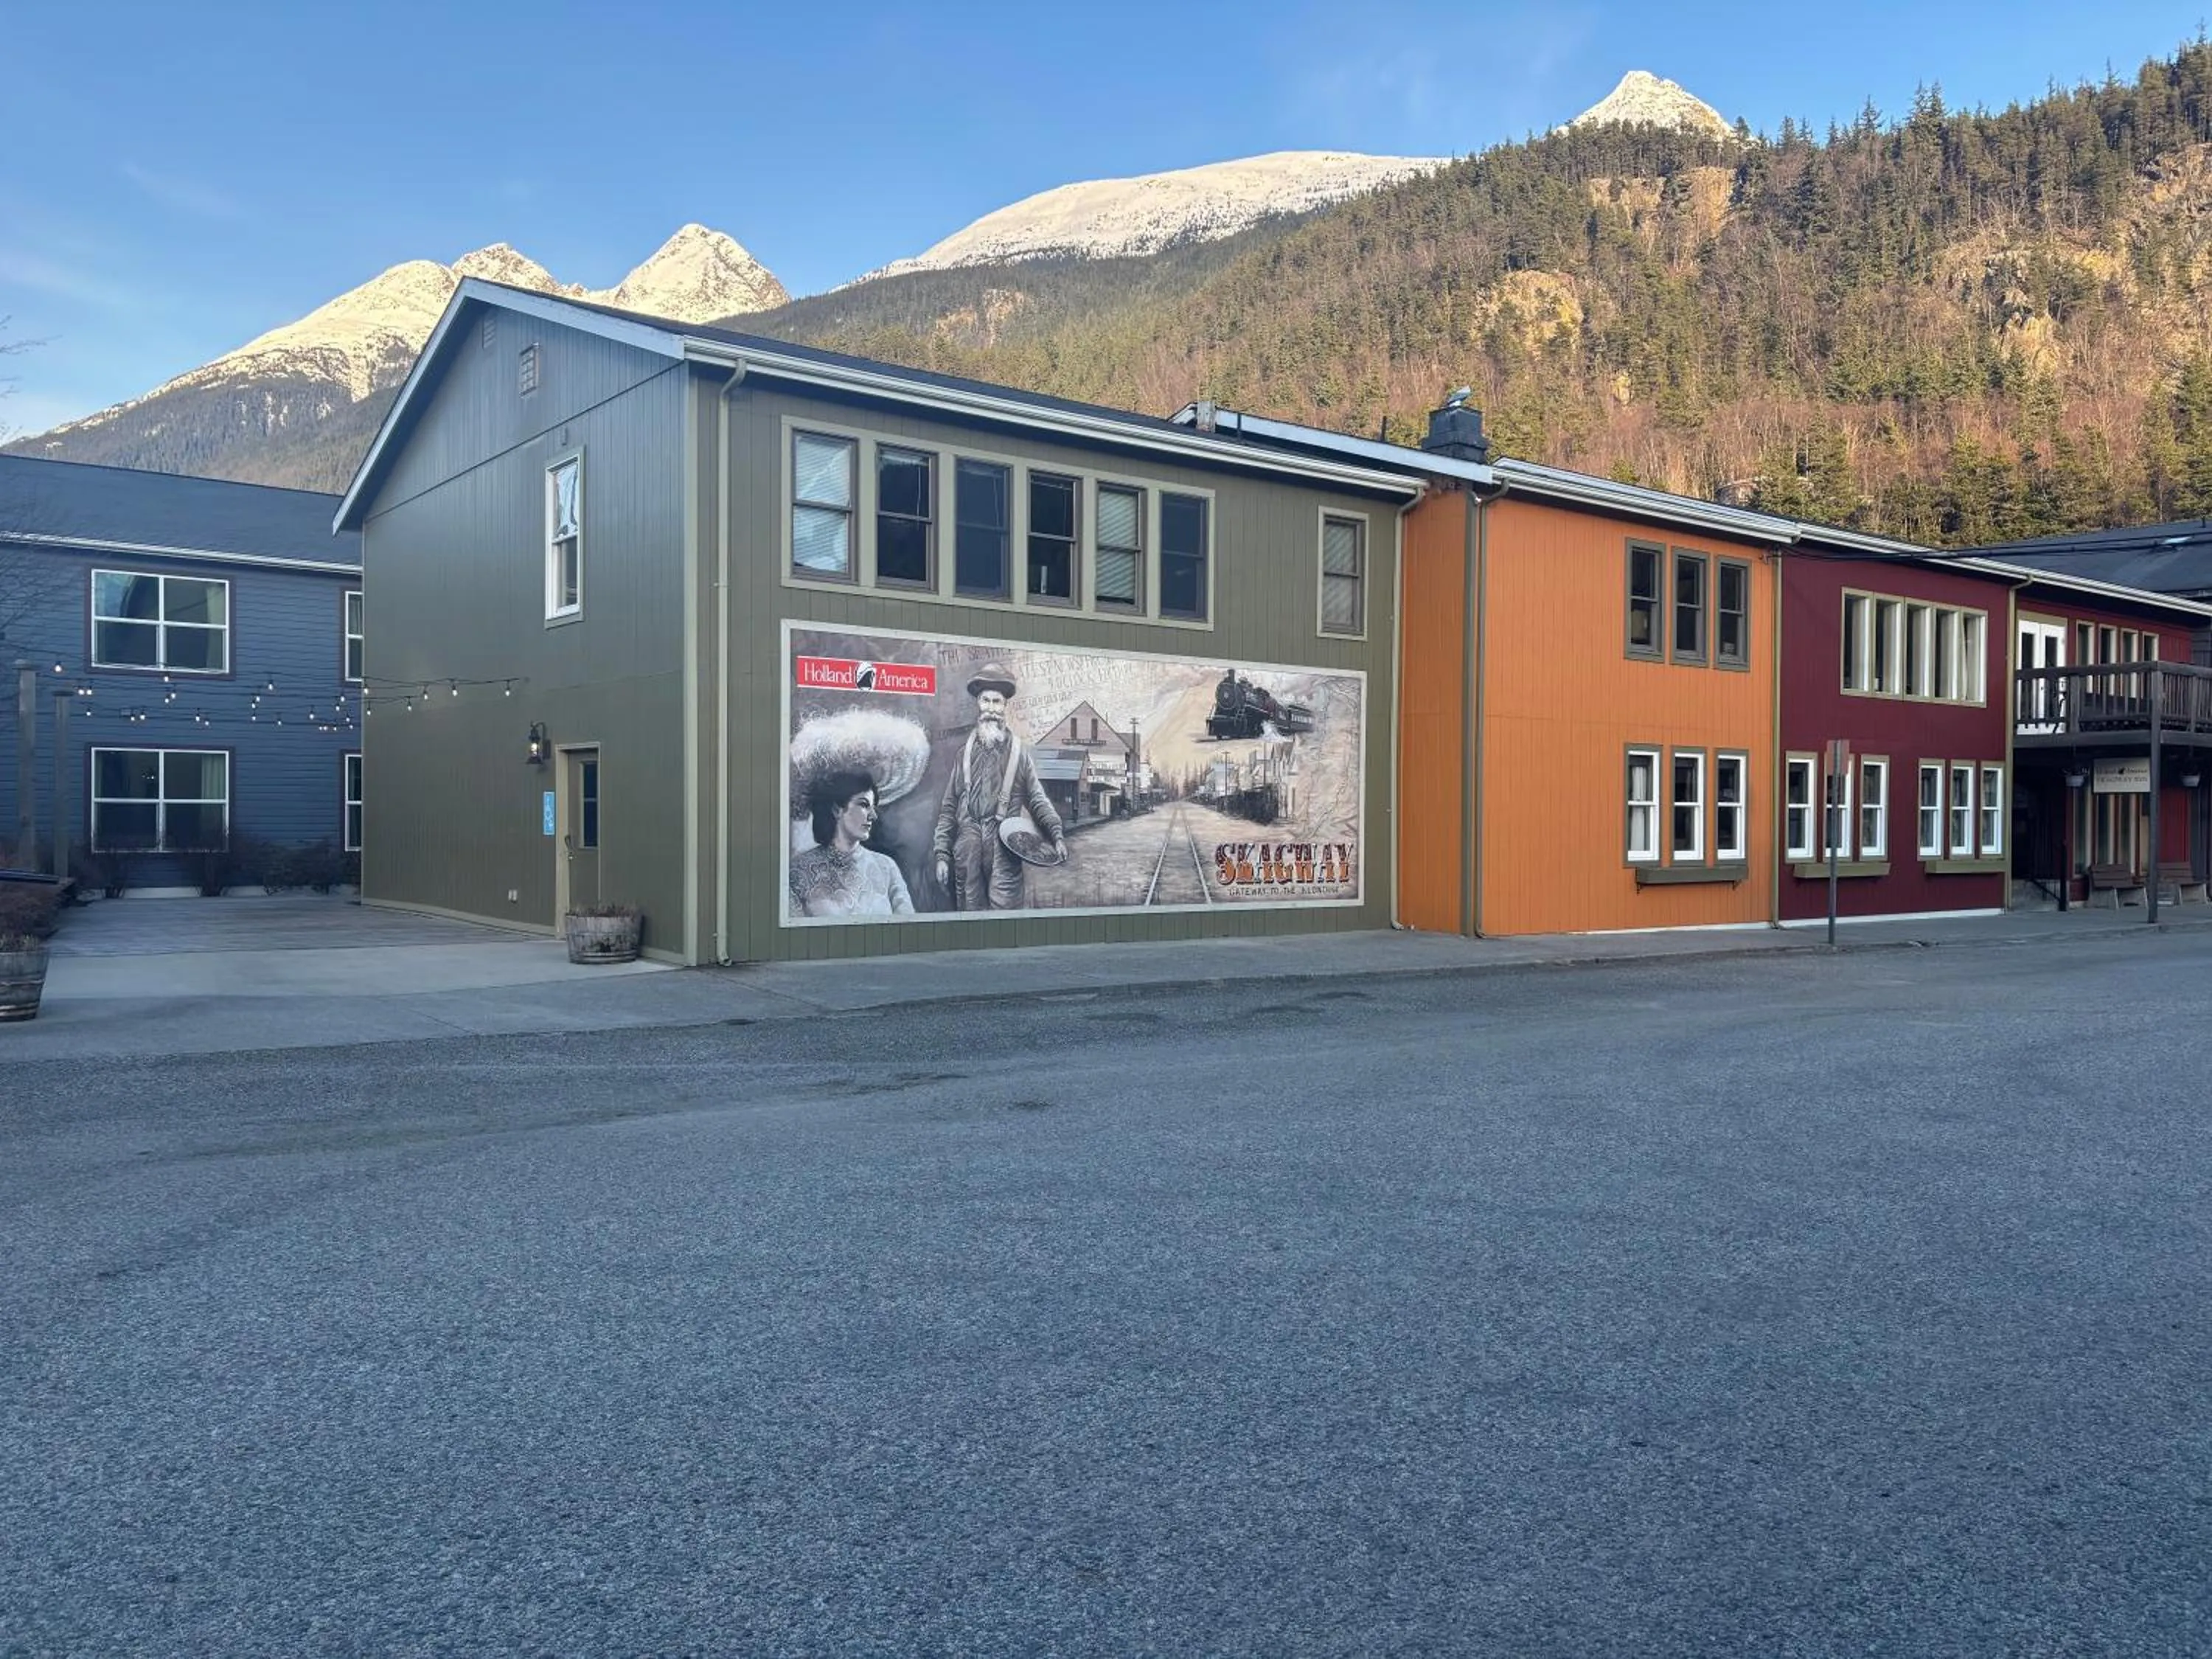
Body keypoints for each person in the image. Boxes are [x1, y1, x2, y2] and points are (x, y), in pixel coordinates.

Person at [931, 663, 1065, 910]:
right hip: (968, 846)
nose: (991, 709)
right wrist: (941, 855)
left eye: (997, 702)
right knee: (969, 913)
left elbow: (1037, 799)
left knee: (1005, 912)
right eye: (986, 701)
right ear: (978, 704)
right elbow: (949, 808)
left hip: (1005, 846)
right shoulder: (963, 754)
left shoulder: (1019, 754)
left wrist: (1055, 834)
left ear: (1005, 707)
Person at [788, 770, 915, 919]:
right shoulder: (798, 871)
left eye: (873, 807)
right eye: (864, 805)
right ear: (837, 810)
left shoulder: (887, 867)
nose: (873, 816)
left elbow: (907, 925)